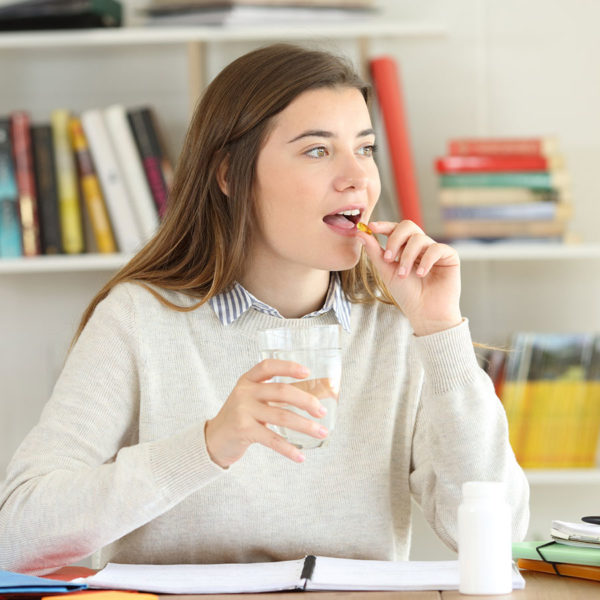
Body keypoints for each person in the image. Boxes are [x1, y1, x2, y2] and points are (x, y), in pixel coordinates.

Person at [0, 43, 529, 575]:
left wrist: (441, 333)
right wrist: (206, 447)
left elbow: (498, 536)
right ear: (230, 175)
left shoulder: (400, 327)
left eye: (365, 149)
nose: (358, 179)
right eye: (318, 151)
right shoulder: (138, 317)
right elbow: (16, 536)